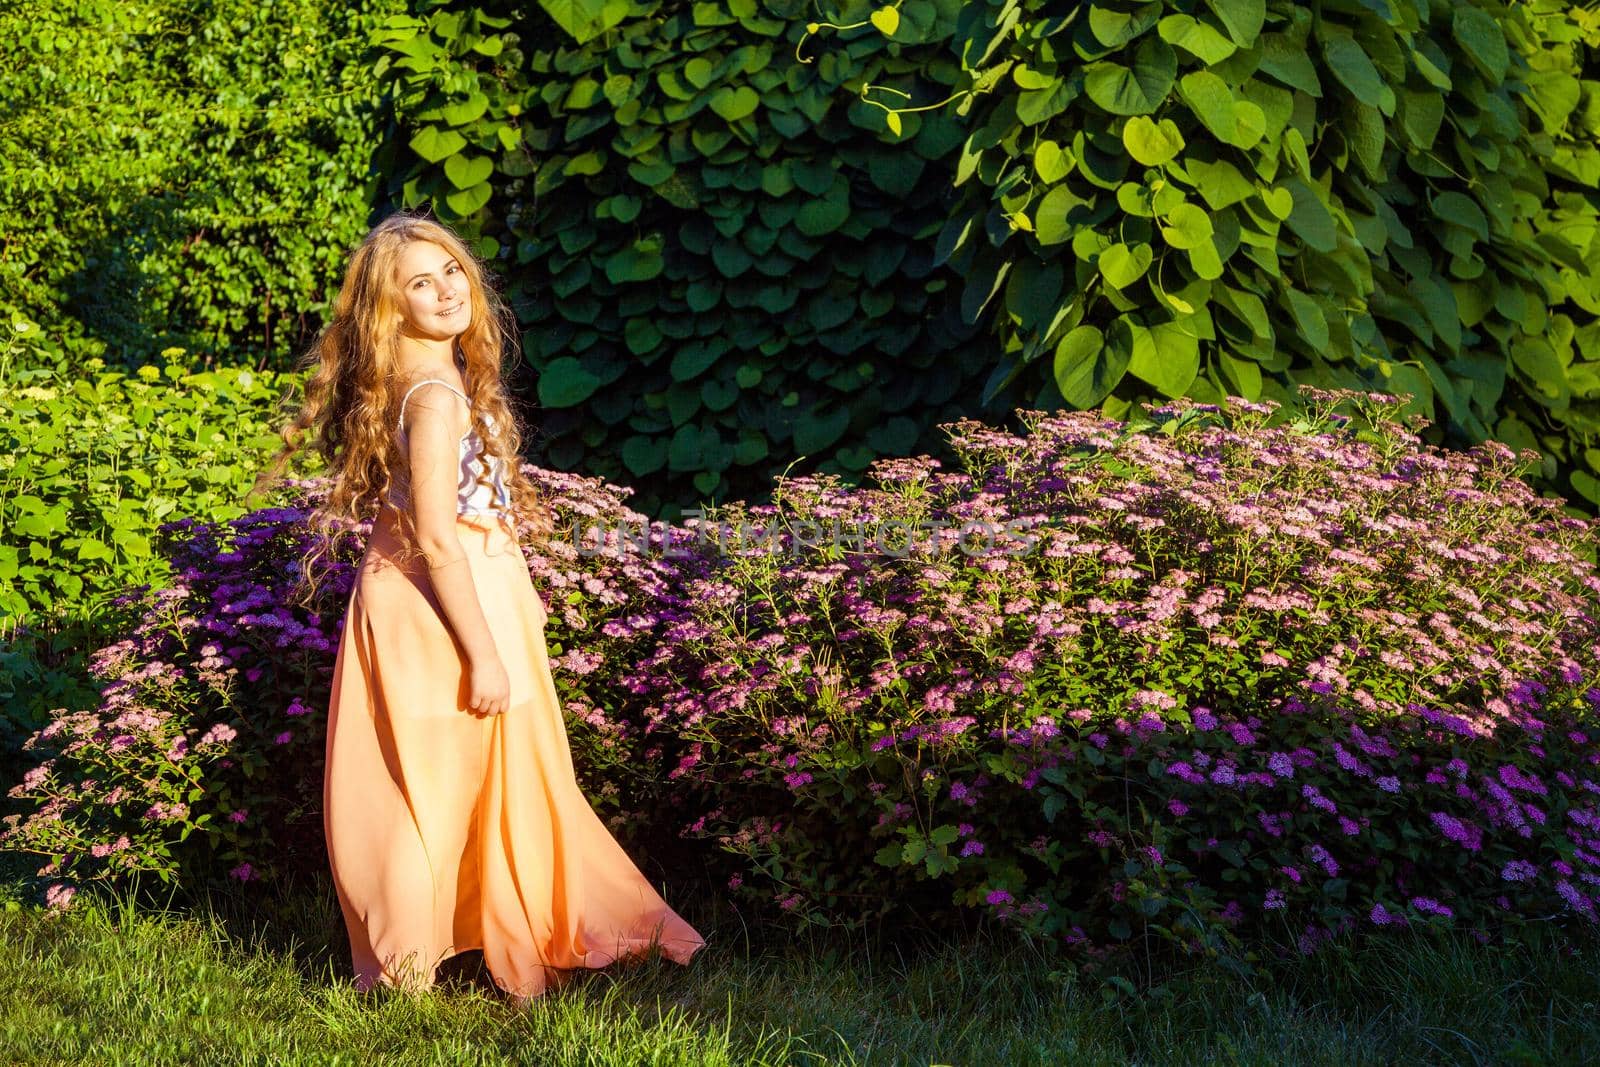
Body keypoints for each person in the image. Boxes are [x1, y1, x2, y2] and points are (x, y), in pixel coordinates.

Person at [253, 210, 706, 1003]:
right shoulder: (434, 395)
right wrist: (484, 649)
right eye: (419, 284)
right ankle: (443, 950)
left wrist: (515, 589)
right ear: (391, 307)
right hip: (443, 605)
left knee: (429, 778)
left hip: (426, 590)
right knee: (454, 779)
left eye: (452, 271)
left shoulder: (417, 379)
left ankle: (421, 950)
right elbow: (437, 531)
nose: (445, 291)